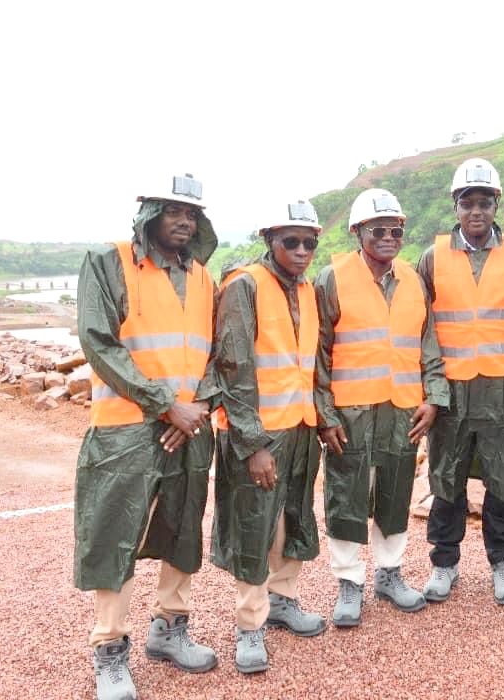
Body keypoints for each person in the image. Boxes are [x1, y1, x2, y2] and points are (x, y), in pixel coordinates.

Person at [75, 174, 219, 700]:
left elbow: (216, 352)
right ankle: (110, 647)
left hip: (191, 428)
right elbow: (99, 344)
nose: (185, 220)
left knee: (183, 529)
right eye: (173, 210)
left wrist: (200, 406)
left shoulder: (203, 276)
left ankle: (171, 628)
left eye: (192, 213)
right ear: (149, 212)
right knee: (116, 534)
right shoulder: (108, 262)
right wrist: (166, 406)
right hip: (126, 430)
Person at [314, 188, 449, 627]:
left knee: (395, 494)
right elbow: (318, 353)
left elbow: (428, 345)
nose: (388, 237)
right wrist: (325, 415)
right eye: (378, 230)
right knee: (346, 495)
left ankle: (389, 575)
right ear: (357, 232)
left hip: (402, 410)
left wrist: (433, 397)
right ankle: (349, 583)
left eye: (396, 230)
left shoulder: (414, 280)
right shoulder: (331, 279)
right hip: (350, 412)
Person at [210, 200, 327, 674]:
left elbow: (313, 362)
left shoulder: (309, 291)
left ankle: (283, 600)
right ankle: (249, 624)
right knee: (253, 525)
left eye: (309, 243)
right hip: (257, 433)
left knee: (292, 515)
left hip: (299, 425)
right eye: (290, 242)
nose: (301, 251)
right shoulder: (244, 287)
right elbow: (233, 367)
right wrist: (252, 443)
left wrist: (322, 418)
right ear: (269, 240)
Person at [417, 157, 504, 606]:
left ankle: (503, 564)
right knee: (446, 480)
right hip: (450, 391)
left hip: (503, 391)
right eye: (467, 202)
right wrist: (430, 390)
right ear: (455, 205)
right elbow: (422, 325)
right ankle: (444, 564)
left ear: (496, 204)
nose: (476, 211)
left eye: (484, 202)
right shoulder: (432, 258)